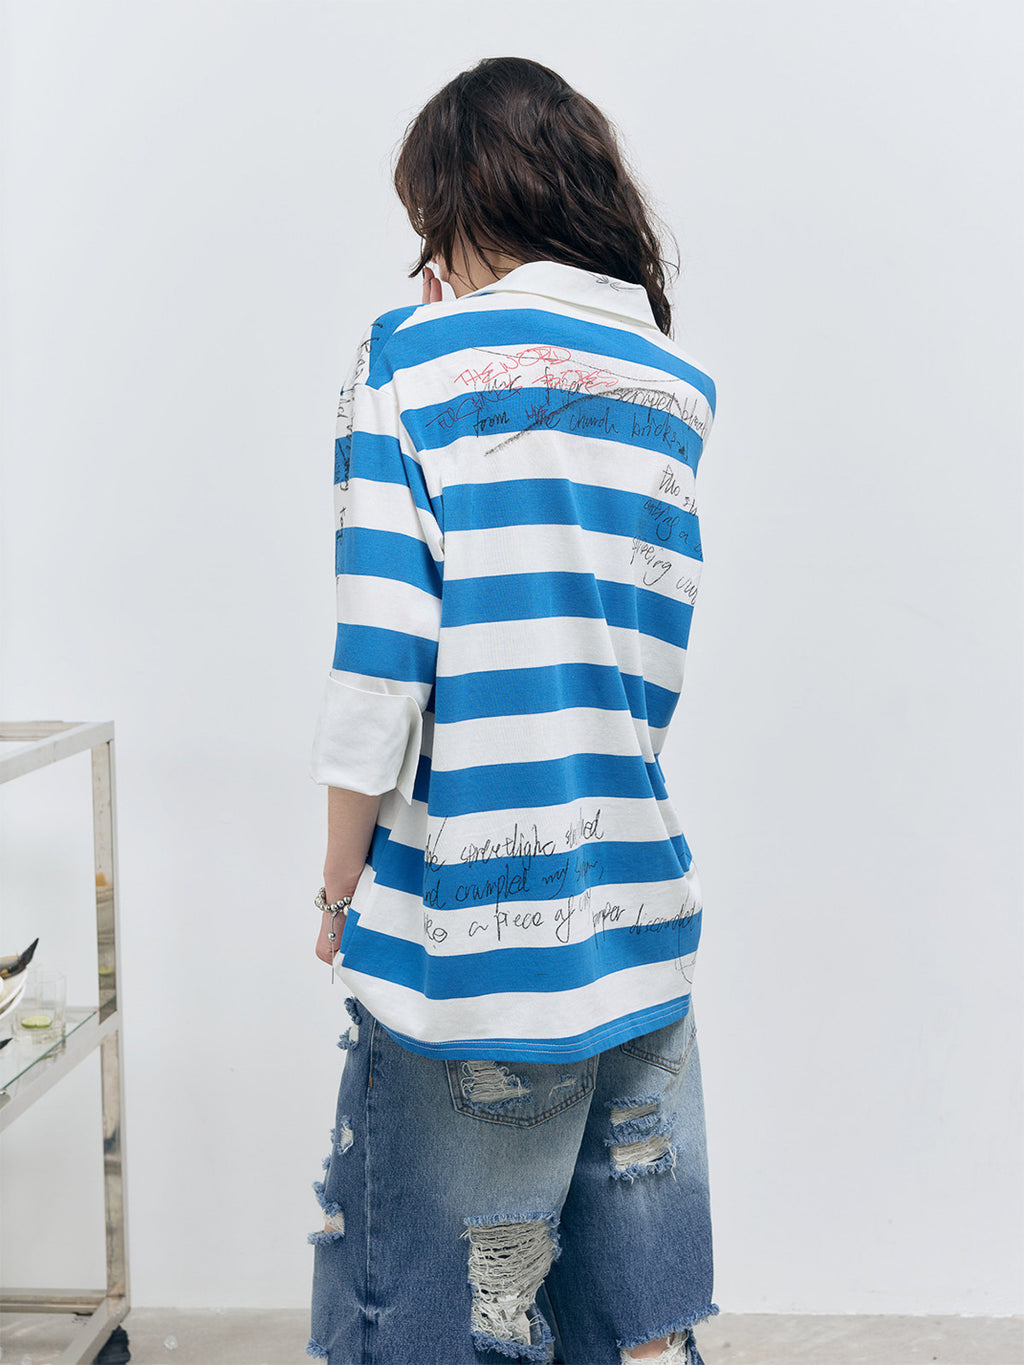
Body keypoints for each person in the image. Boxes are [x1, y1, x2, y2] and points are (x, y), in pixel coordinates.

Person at [306, 56, 719, 1365]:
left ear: (464, 200)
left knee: (446, 1327)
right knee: (638, 1325)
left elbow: (383, 657)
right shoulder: (674, 383)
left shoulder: (408, 355)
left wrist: (336, 882)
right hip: (636, 905)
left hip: (474, 938)